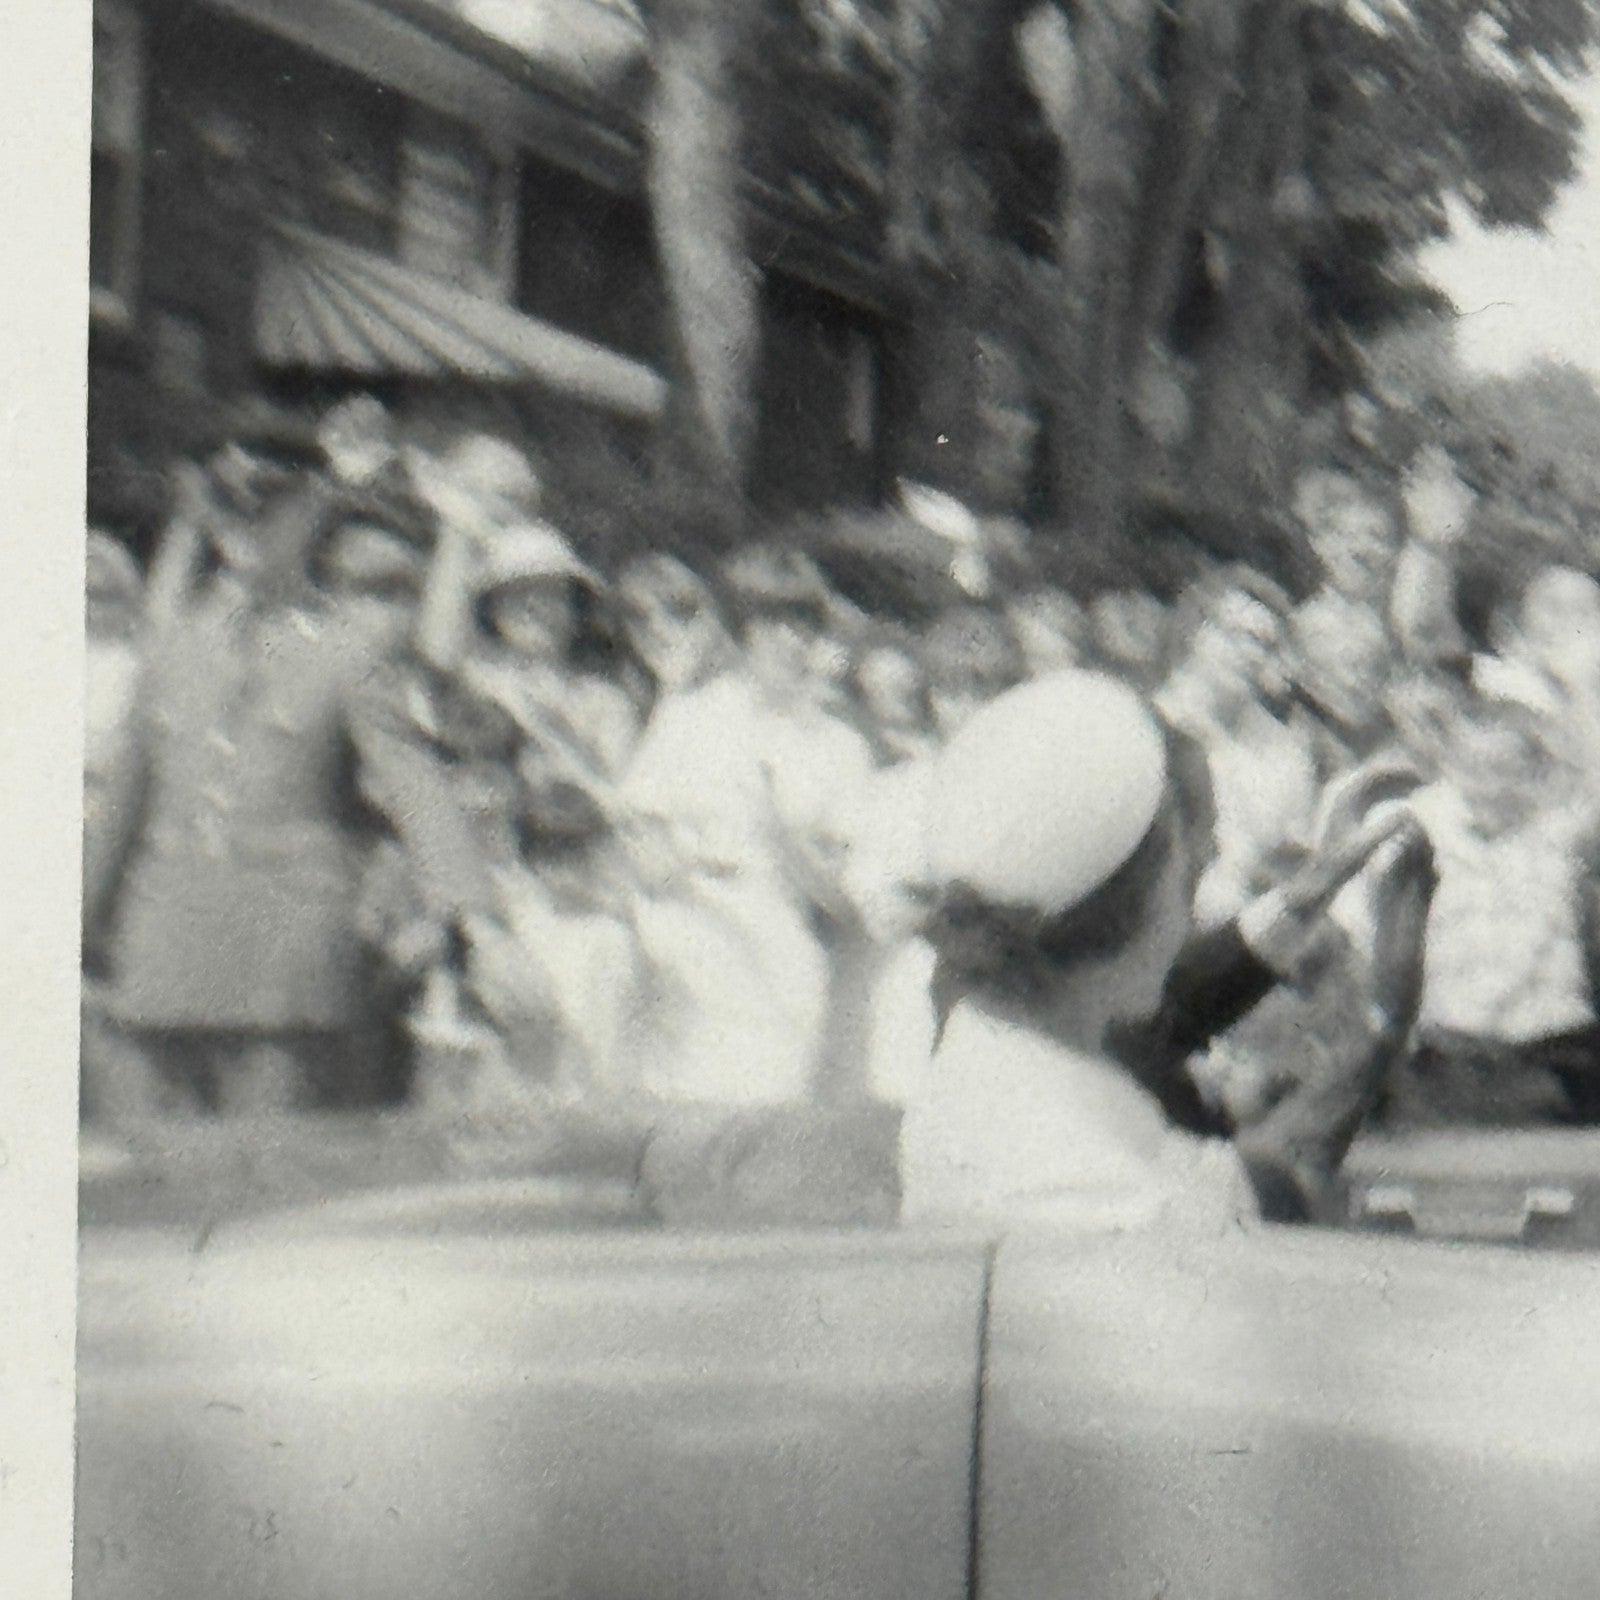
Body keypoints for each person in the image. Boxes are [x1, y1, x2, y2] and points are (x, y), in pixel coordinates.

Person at [899, 669, 1420, 1229]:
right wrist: (1387, 1009)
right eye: (1189, 868)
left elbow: (1162, 1011)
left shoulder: (986, 1021)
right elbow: (1262, 1193)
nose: (1205, 873)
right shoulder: (1112, 1195)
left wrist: (1309, 893)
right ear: (1132, 910)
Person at [94, 423, 429, 1119]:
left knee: (267, 1202)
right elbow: (124, 808)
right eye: (228, 507)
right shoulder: (170, 651)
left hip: (285, 973)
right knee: (146, 1201)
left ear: (310, 517)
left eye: (267, 509)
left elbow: (418, 793)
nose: (244, 528)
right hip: (159, 956)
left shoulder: (346, 654)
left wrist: (466, 922)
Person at [616, 548, 874, 1106]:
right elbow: (637, 826)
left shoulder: (839, 745)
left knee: (768, 1104)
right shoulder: (693, 716)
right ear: (743, 633)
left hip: (778, 928)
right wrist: (665, 873)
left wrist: (783, 837)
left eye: (803, 625)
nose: (788, 641)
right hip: (685, 916)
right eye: (770, 624)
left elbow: (839, 896)